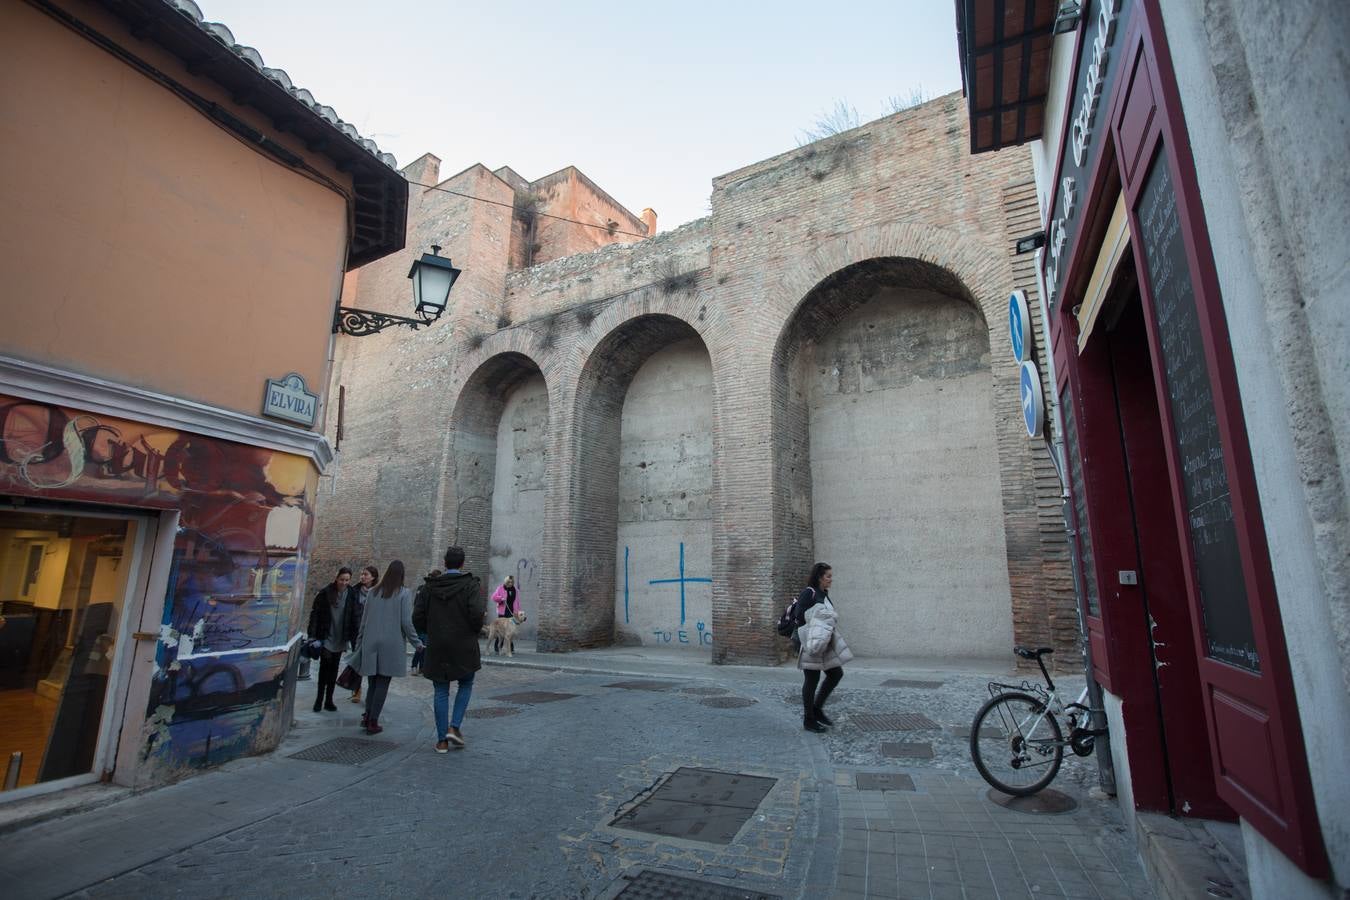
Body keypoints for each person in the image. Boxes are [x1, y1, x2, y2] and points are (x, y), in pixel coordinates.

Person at [413, 546, 485, 753]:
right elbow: (477, 613)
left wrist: (431, 631)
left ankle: (441, 740)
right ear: (462, 564)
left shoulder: (429, 588)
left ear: (445, 563)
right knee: (466, 682)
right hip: (464, 643)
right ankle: (455, 726)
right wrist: (472, 631)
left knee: (441, 689)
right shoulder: (470, 585)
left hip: (437, 644)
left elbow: (417, 617)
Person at [347, 560, 423, 735]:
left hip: (370, 642)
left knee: (372, 682)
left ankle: (367, 716)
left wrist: (359, 643)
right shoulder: (404, 594)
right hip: (391, 644)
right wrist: (417, 643)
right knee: (382, 683)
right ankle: (373, 720)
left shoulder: (373, 592)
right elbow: (406, 622)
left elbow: (364, 622)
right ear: (402, 575)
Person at [795, 562, 852, 733]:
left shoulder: (824, 594)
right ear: (819, 577)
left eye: (831, 577)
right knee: (811, 679)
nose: (830, 580)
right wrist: (818, 620)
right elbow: (799, 616)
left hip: (824, 643)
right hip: (811, 642)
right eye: (828, 576)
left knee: (836, 674)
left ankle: (817, 709)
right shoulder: (809, 593)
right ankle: (809, 719)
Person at [307, 567, 359, 713]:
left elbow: (355, 616)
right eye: (342, 579)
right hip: (325, 636)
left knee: (334, 669)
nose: (344, 582)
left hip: (341, 637)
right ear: (336, 578)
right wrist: (312, 635)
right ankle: (319, 700)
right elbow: (315, 614)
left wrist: (355, 638)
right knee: (324, 669)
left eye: (347, 580)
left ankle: (329, 700)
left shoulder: (351, 594)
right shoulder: (325, 593)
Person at [347, 565, 378, 704]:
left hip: (372, 632)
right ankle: (356, 690)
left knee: (372, 662)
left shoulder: (378, 592)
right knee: (357, 661)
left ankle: (373, 691)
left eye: (366, 574)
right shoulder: (354, 591)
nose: (362, 577)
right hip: (356, 631)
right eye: (362, 574)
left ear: (373, 577)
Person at [410, 569, 441, 675]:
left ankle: (421, 667)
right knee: (422, 645)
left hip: (421, 621)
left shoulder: (422, 588)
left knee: (424, 645)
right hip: (424, 622)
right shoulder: (428, 590)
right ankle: (415, 666)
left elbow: (416, 605)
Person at [490, 575, 520, 655]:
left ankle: (510, 648)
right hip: (502, 612)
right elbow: (493, 597)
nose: (510, 583)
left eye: (512, 582)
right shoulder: (500, 588)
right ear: (506, 582)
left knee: (511, 631)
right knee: (501, 631)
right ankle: (497, 647)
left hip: (512, 613)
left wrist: (517, 612)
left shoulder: (515, 590)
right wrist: (501, 599)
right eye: (509, 582)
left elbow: (517, 602)